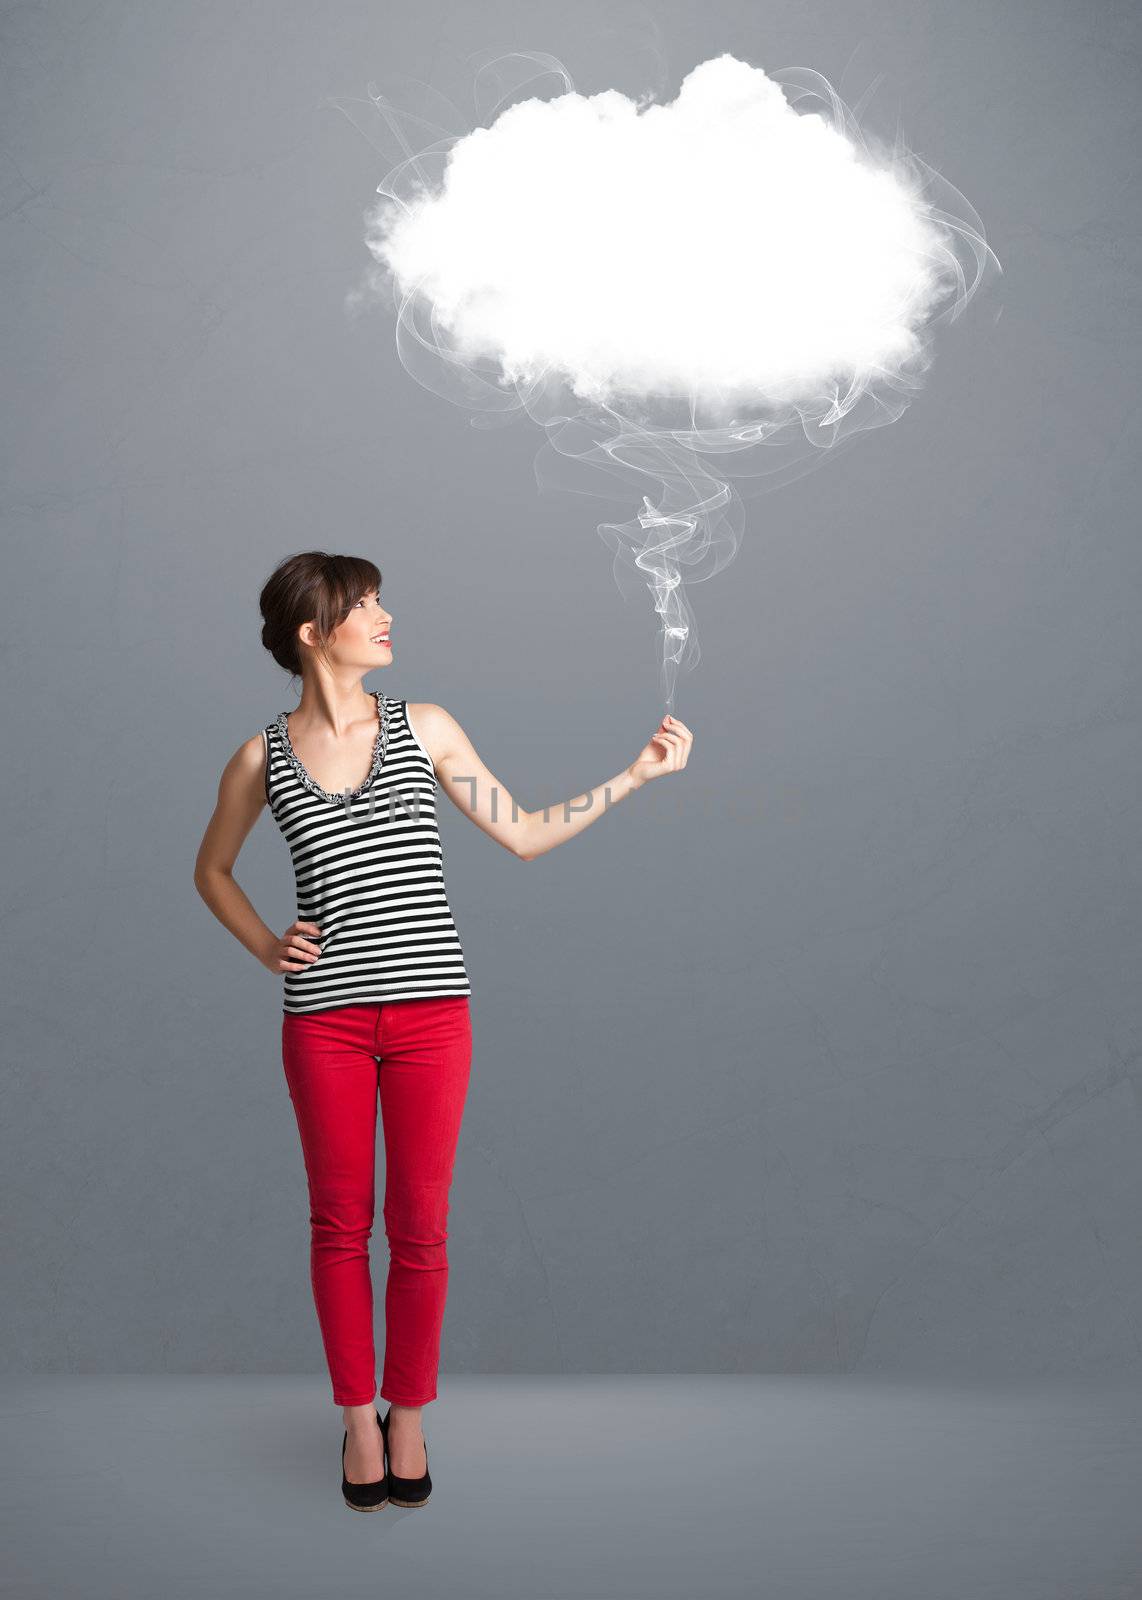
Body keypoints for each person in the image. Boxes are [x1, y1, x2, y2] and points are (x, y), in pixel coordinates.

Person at [192, 550, 694, 1510]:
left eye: (381, 600)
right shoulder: (262, 755)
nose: (385, 615)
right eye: (364, 604)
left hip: (432, 1019)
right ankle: (356, 1425)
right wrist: (266, 945)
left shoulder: (424, 727)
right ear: (313, 631)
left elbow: (525, 831)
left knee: (419, 1227)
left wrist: (639, 773)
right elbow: (212, 868)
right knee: (340, 1226)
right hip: (324, 1025)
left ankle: (408, 1415)